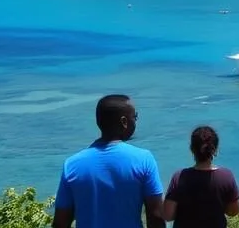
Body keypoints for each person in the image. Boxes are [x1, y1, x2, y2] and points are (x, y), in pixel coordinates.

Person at [53, 94, 165, 228]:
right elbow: (156, 217)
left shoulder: (71, 165)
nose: (135, 121)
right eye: (134, 117)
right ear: (124, 122)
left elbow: (60, 223)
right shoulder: (144, 159)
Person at [161, 125, 239, 228]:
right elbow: (234, 211)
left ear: (192, 149)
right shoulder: (226, 176)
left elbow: (168, 215)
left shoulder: (179, 177)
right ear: (215, 150)